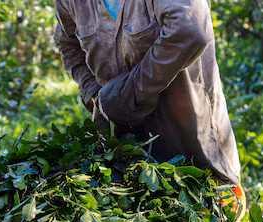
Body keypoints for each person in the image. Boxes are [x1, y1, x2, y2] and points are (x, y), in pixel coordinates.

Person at [52, 0, 244, 208]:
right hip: (124, 165)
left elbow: (191, 30)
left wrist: (129, 95)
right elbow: (67, 43)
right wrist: (94, 92)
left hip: (194, 155)